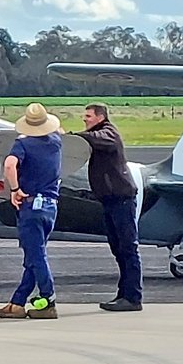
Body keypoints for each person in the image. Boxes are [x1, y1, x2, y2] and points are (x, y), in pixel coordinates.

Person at [0, 103, 63, 320]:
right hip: (50, 205)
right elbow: (58, 131)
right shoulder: (56, 142)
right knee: (33, 256)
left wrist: (15, 189)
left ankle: (48, 299)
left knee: (36, 256)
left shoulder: (22, 145)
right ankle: (17, 302)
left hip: (31, 205)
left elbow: (9, 165)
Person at [72, 103, 143, 312]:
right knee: (118, 248)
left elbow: (104, 140)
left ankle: (133, 297)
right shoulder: (98, 134)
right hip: (111, 200)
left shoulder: (108, 132)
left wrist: (75, 137)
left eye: (88, 116)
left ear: (101, 117)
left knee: (128, 248)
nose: (85, 119)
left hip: (121, 199)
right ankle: (125, 293)